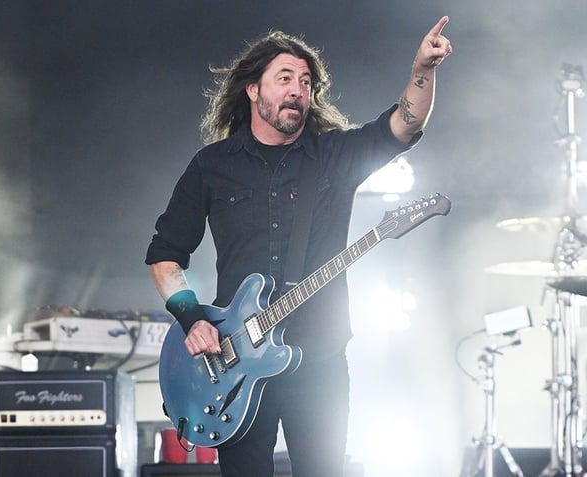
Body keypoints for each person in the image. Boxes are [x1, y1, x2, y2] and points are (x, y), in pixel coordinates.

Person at [146, 17, 452, 477]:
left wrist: (422, 69)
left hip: (320, 361)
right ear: (253, 90)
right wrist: (192, 320)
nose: (297, 90)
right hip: (234, 366)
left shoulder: (334, 157)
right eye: (284, 78)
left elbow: (401, 128)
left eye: (305, 82)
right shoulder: (212, 167)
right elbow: (165, 255)